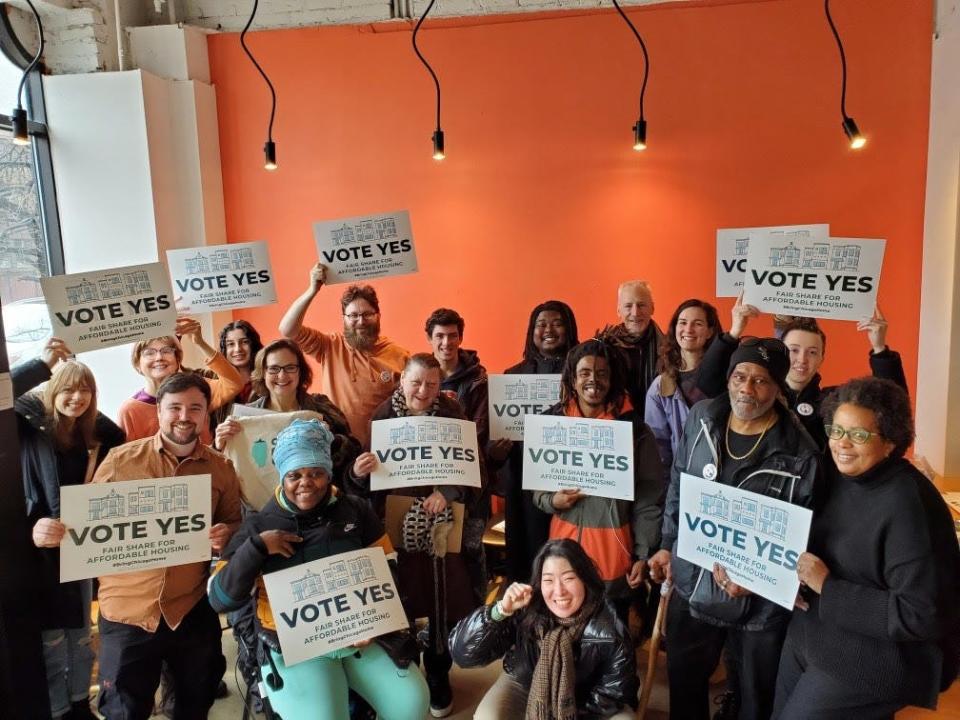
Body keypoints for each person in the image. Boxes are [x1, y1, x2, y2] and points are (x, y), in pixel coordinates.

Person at [208, 418, 430, 720]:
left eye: (316, 473)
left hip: (359, 635)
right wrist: (257, 548)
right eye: (295, 475)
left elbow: (387, 567)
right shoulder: (258, 526)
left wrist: (376, 620)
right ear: (282, 477)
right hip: (295, 646)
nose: (305, 483)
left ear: (328, 473)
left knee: (412, 703)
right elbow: (220, 598)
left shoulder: (356, 509)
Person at [648, 337, 820, 720]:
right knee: (685, 683)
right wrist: (667, 544)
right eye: (740, 376)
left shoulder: (801, 453)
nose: (747, 388)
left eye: (760, 381)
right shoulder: (702, 417)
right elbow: (679, 484)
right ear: (728, 378)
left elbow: (803, 532)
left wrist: (761, 578)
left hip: (758, 603)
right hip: (692, 581)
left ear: (778, 388)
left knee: (754, 697)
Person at [773, 377, 960, 719]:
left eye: (859, 435)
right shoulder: (837, 475)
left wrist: (827, 587)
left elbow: (920, 614)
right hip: (816, 629)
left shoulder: (908, 504)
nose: (842, 444)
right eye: (837, 430)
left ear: (890, 442)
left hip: (879, 655)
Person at [92, 373, 242, 719]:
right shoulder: (120, 461)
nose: (184, 417)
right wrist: (51, 529)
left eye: (195, 408)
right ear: (159, 411)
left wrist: (226, 533)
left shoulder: (221, 469)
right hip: (128, 608)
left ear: (206, 414)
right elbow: (88, 526)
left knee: (195, 701)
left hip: (189, 606)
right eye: (174, 407)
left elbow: (234, 521)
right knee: (124, 709)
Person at [349, 353, 480, 718]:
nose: (424, 391)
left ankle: (439, 674)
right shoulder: (382, 417)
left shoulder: (453, 415)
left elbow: (472, 467)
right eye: (416, 382)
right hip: (394, 523)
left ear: (442, 385)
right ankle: (405, 675)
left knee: (442, 602)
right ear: (402, 380)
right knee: (402, 600)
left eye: (433, 384)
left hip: (442, 527)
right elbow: (362, 481)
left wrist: (449, 492)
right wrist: (360, 472)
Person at [16, 343, 125, 720]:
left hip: (79, 549)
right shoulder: (26, 425)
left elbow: (125, 446)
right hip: (38, 552)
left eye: (85, 390)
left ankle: (80, 704)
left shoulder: (98, 433)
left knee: (81, 636)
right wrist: (42, 364)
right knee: (50, 640)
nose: (76, 397)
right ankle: (58, 710)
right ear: (50, 390)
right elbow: (4, 391)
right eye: (67, 389)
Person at [532, 339, 664, 619]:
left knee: (609, 634)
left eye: (602, 373)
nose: (593, 380)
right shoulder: (551, 422)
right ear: (572, 378)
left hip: (613, 553)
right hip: (562, 547)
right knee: (563, 628)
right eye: (585, 373)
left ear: (612, 378)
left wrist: (642, 553)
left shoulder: (635, 431)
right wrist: (551, 499)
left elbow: (648, 498)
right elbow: (537, 489)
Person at [449, 538, 638, 719]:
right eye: (548, 580)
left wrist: (562, 710)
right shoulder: (526, 607)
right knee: (487, 716)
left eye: (569, 578)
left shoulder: (610, 630)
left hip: (588, 700)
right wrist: (500, 611)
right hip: (525, 681)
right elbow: (463, 655)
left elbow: (613, 694)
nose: (559, 591)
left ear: (585, 579)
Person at [697, 296, 906, 448]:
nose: (802, 360)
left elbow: (891, 406)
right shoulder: (757, 389)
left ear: (822, 358)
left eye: (812, 352)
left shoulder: (832, 400)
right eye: (794, 350)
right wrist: (734, 333)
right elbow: (707, 382)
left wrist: (879, 349)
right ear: (782, 352)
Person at [279, 262, 410, 445]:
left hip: (384, 449)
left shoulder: (400, 356)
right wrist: (312, 290)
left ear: (378, 315)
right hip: (338, 447)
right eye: (353, 315)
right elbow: (287, 329)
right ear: (344, 319)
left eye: (367, 314)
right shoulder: (329, 345)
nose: (361, 321)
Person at [501, 300, 579, 583]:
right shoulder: (512, 376)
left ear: (569, 328)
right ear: (531, 331)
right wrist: (498, 448)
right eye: (541, 324)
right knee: (528, 551)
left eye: (557, 323)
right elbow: (501, 434)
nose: (548, 330)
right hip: (524, 478)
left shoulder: (582, 373)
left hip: (568, 475)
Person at [213, 338, 361, 489]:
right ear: (263, 372)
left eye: (290, 367)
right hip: (262, 507)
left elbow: (352, 455)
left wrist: (331, 440)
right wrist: (220, 447)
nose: (282, 375)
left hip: (315, 501)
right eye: (274, 368)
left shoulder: (321, 408)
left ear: (300, 371)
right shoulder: (246, 417)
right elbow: (229, 474)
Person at [426, 307, 493, 604]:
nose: (446, 343)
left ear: (461, 338)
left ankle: (477, 618)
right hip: (427, 484)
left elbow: (477, 433)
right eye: (439, 336)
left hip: (470, 487)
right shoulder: (419, 378)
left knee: (470, 554)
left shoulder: (479, 380)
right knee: (433, 555)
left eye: (452, 336)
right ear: (429, 338)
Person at [117, 316, 243, 444]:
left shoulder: (197, 390)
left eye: (166, 351)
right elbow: (128, 458)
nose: (159, 357)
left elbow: (233, 383)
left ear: (178, 360)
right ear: (137, 363)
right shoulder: (130, 410)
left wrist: (200, 343)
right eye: (149, 353)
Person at [645, 299, 722, 483]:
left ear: (710, 331)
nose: (688, 329)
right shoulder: (660, 387)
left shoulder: (727, 379)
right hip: (681, 483)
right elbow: (658, 449)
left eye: (698, 324)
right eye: (683, 322)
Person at [598, 280, 664, 413]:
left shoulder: (670, 347)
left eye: (641, 305)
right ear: (618, 310)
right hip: (616, 422)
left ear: (652, 308)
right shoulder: (602, 347)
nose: (635, 312)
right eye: (628, 306)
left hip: (657, 426)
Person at [208, 319, 264, 429]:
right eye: (231, 344)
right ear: (224, 349)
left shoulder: (267, 378)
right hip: (221, 443)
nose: (238, 349)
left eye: (244, 342)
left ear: (254, 345)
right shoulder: (212, 379)